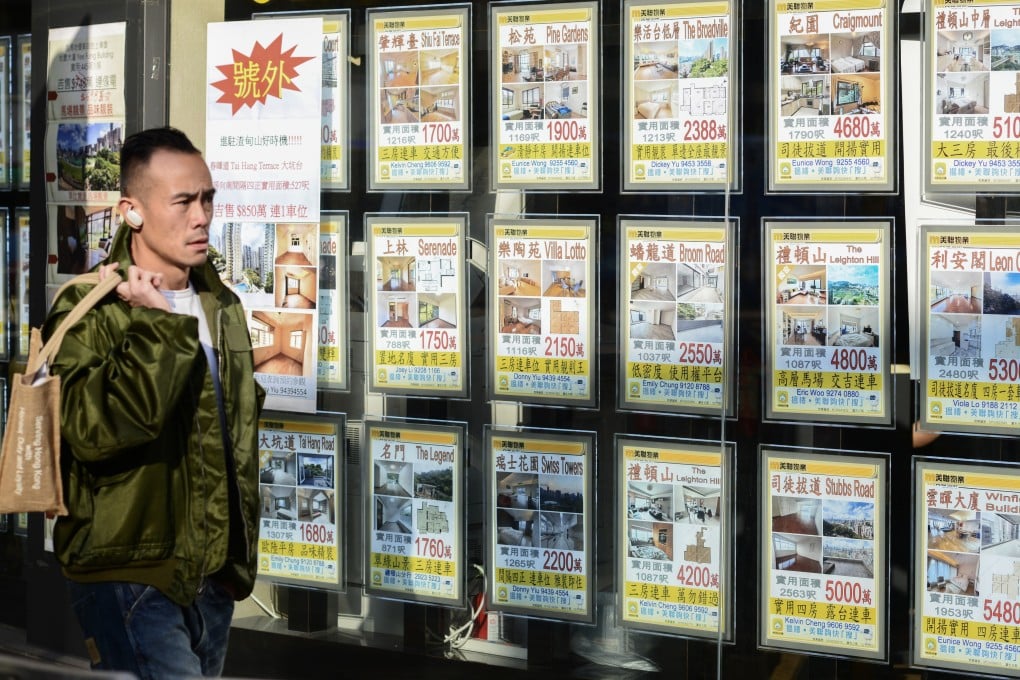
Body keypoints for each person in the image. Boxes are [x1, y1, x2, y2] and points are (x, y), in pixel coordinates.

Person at [43, 127, 265, 679]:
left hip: (209, 578)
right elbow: (94, 432)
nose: (202, 217)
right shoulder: (91, 307)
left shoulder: (222, 306)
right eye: (184, 202)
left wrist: (229, 565)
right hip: (129, 572)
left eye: (208, 198)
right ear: (132, 212)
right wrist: (160, 329)